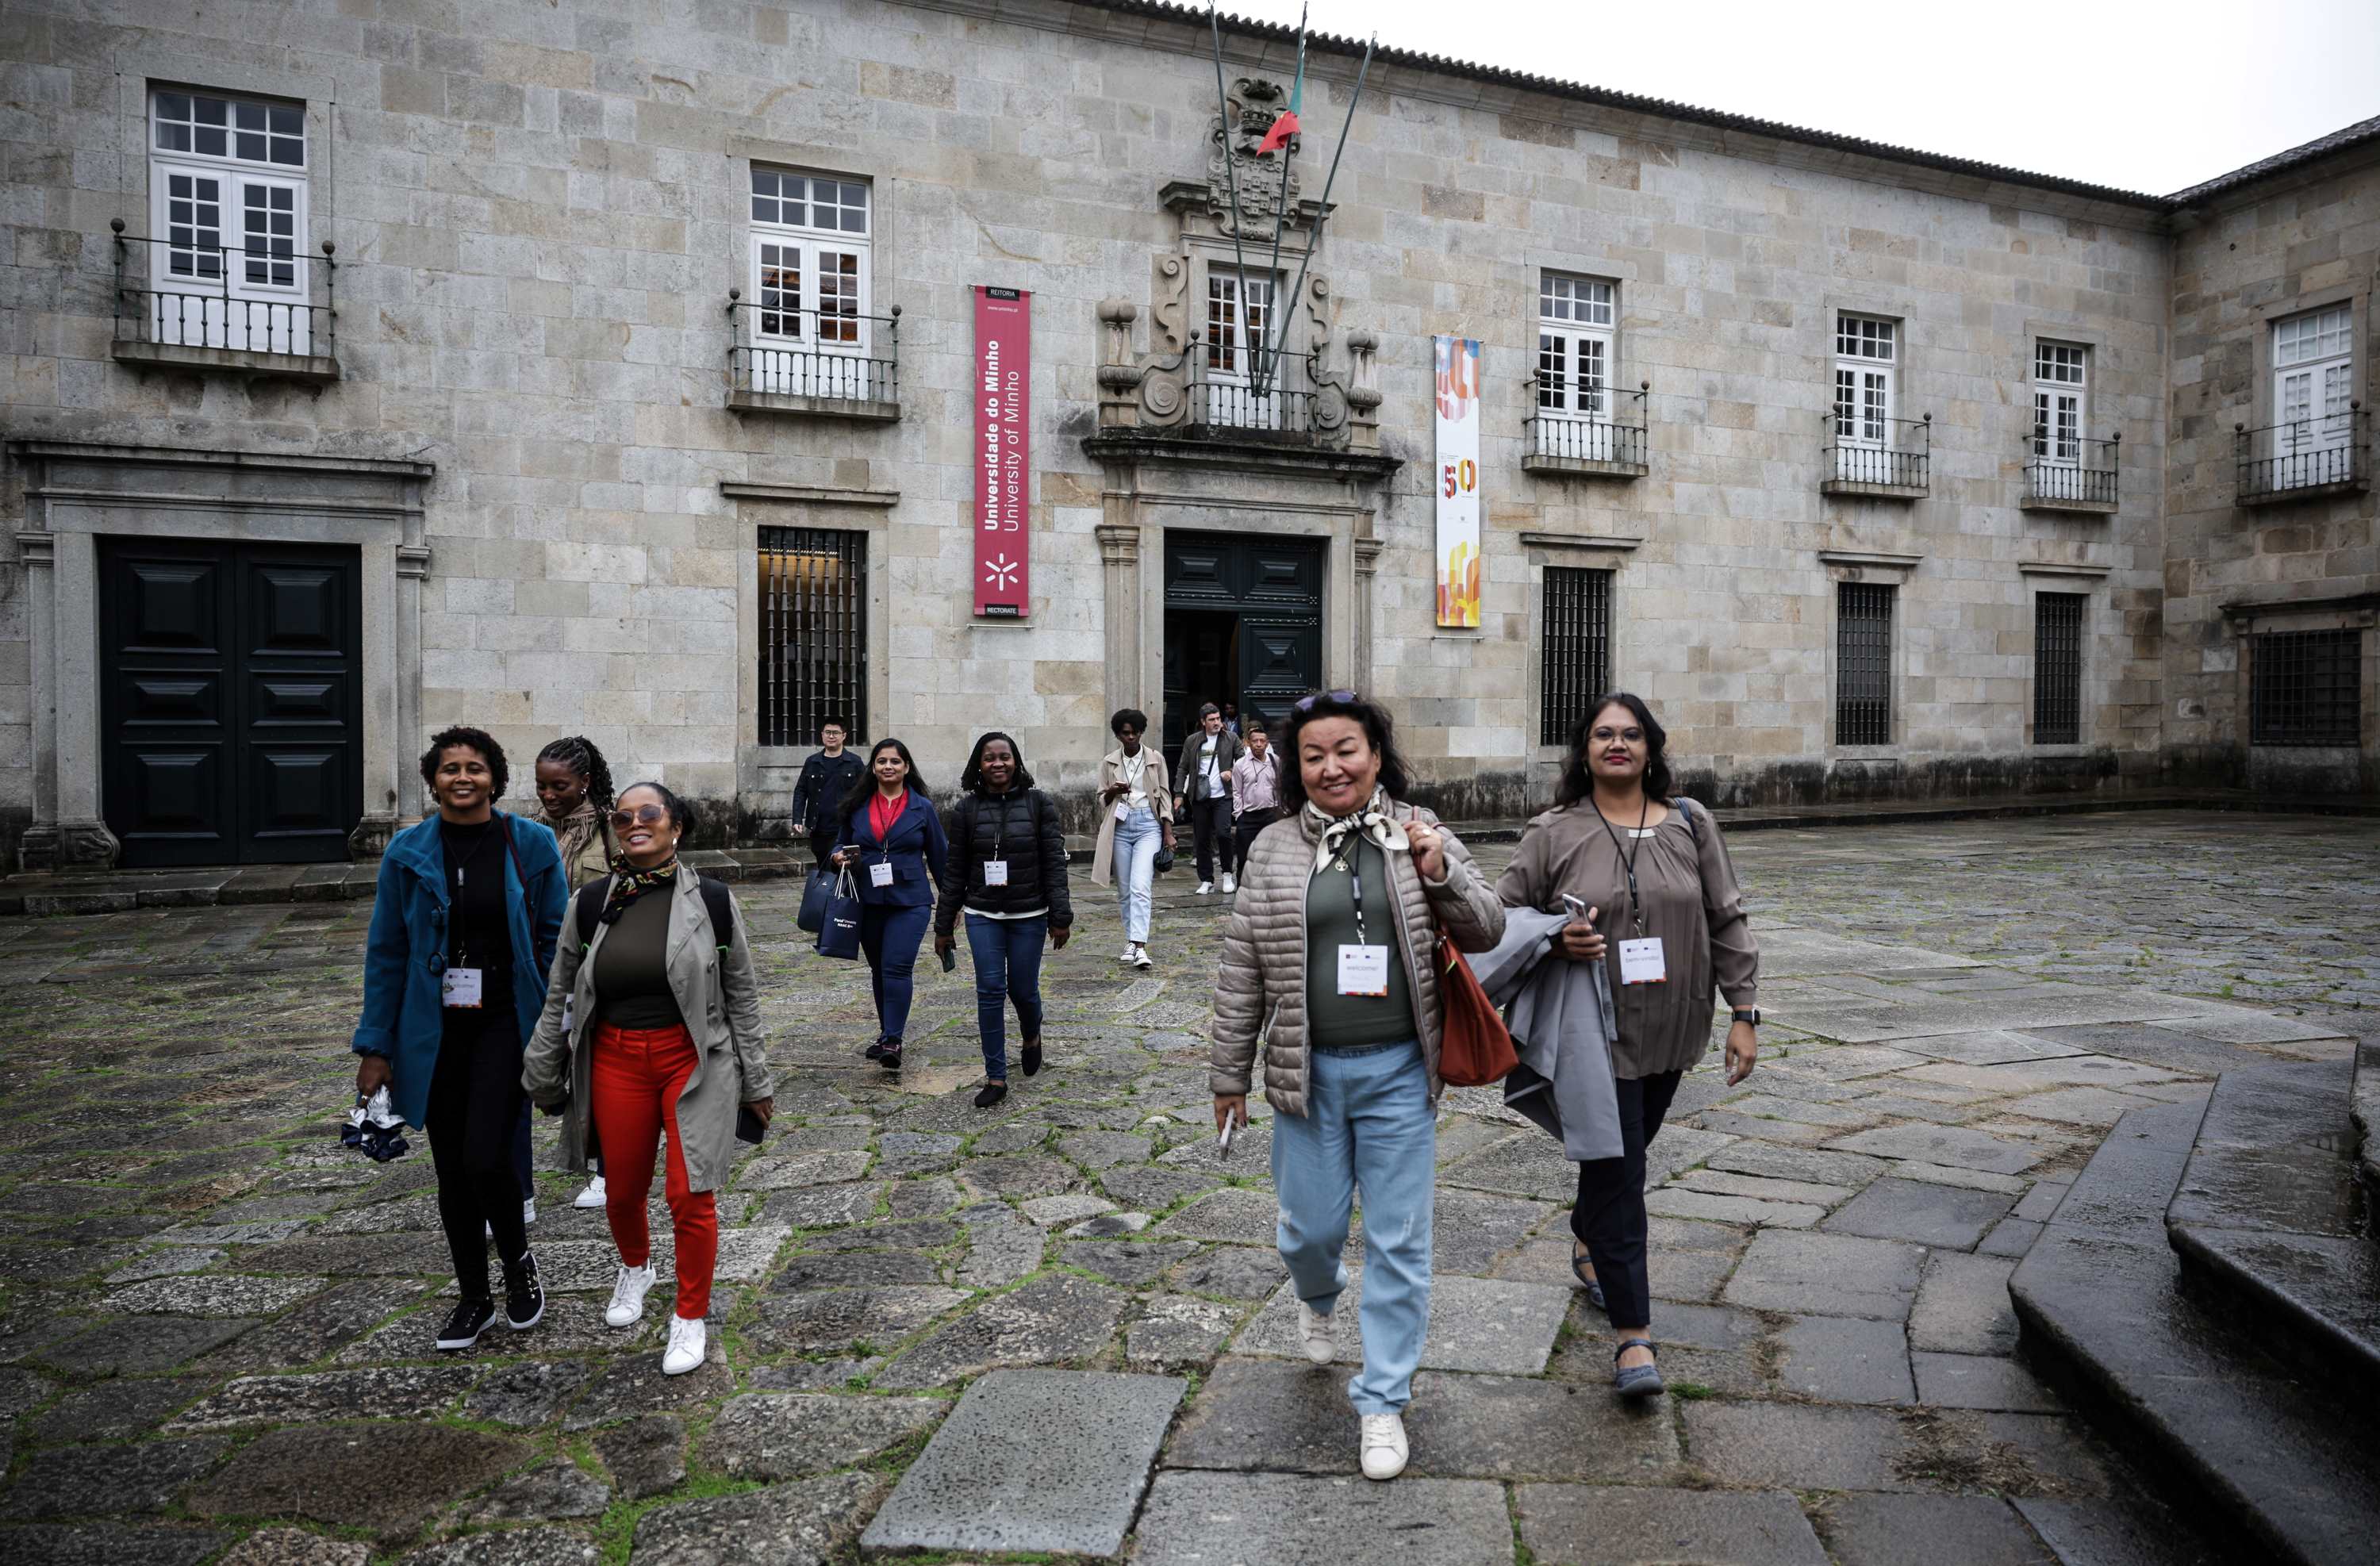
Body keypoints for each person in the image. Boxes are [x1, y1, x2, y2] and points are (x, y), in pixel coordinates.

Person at [1211, 690, 1505, 1480]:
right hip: (1304, 1075)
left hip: (1400, 1074)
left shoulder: (1419, 831)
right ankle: (1318, 1293)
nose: (1331, 766)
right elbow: (1241, 968)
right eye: (1313, 755)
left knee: (1400, 1239)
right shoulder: (1271, 847)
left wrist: (1440, 873)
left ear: (1376, 755)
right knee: (1308, 1232)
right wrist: (1227, 1073)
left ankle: (1382, 1401)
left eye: (1347, 750)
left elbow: (1489, 925)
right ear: (1295, 768)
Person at [1495, 693, 1760, 1399]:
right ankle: (1633, 1339)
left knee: (1623, 1161)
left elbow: (1726, 916)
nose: (1618, 744)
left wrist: (1745, 1012)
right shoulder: (1554, 832)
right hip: (1593, 1032)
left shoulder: (1691, 824)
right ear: (1584, 750)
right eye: (1604, 734)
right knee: (1622, 1175)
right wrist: (1556, 932)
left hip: (1674, 1025)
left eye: (1631, 734)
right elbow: (1501, 916)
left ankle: (1586, 1231)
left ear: (1651, 748)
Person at [523, 781, 774, 1377]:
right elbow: (561, 988)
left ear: (675, 827)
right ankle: (636, 1268)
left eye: (650, 814)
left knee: (690, 1193)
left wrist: (757, 1080)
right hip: (614, 1058)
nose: (636, 823)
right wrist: (541, 1064)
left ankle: (690, 1313)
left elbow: (743, 994)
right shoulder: (589, 902)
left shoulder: (711, 899)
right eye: (624, 816)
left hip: (695, 1058)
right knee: (623, 1188)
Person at [353, 726, 566, 1352]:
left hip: (506, 1018)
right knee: (451, 1169)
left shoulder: (529, 843)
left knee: (485, 1154)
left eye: (475, 767)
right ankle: (474, 1296)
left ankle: (519, 1263)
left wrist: (555, 1019)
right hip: (434, 1027)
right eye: (450, 768)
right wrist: (375, 1046)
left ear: (495, 778)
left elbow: (557, 935)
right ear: (433, 779)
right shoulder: (407, 851)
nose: (463, 778)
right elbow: (386, 951)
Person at [933, 733, 1073, 1108]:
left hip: (1029, 913)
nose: (998, 763)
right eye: (989, 758)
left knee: (1023, 989)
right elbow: (955, 869)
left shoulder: (1039, 803)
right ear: (978, 765)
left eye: (1005, 757)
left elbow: (1054, 864)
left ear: (1016, 762)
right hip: (983, 914)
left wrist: (1061, 915)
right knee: (990, 990)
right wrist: (943, 925)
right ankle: (996, 1075)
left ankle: (1032, 1035)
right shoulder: (966, 810)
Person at [536, 735, 618, 1214]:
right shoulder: (526, 833)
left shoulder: (612, 831)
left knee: (600, 1077)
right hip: (542, 972)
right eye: (542, 786)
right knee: (538, 1072)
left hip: (596, 974)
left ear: (584, 783)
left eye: (559, 786)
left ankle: (607, 1171)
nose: (549, 796)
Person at [831, 738, 947, 1072]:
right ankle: (885, 1034)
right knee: (879, 969)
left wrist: (950, 905)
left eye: (895, 761)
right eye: (881, 761)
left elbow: (941, 857)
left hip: (910, 900)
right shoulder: (858, 805)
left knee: (897, 966)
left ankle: (894, 1038)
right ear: (873, 767)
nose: (888, 767)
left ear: (906, 767)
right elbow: (839, 842)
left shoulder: (922, 807)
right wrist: (836, 856)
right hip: (867, 898)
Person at [1090, 708, 1174, 970]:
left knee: (1140, 885)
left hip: (1148, 824)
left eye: (1135, 732)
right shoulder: (1109, 762)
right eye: (1125, 733)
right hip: (1120, 826)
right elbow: (1100, 801)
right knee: (1125, 889)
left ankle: (1139, 946)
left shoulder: (1155, 759)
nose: (1131, 737)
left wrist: (1168, 831)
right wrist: (1114, 790)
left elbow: (1165, 796)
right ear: (1117, 734)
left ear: (1141, 732)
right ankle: (1131, 939)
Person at [1175, 703, 1245, 895]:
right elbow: (1182, 767)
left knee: (1223, 834)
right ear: (1203, 722)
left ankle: (1227, 874)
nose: (1217, 723)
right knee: (1202, 839)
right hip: (1200, 796)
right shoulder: (1192, 741)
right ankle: (1206, 879)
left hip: (1223, 795)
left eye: (1218, 719)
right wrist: (1179, 794)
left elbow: (1243, 759)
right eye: (1212, 720)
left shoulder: (1231, 738)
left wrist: (1231, 770)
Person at [791, 719, 865, 870]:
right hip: (818, 828)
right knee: (823, 867)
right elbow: (801, 790)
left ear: (844, 736)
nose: (831, 736)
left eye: (836, 733)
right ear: (822, 735)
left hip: (843, 828)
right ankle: (826, 894)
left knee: (841, 868)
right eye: (828, 733)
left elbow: (864, 793)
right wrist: (797, 818)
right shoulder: (812, 762)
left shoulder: (855, 762)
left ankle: (841, 894)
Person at [1229, 720, 1284, 877]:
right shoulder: (1240, 765)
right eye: (1255, 741)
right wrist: (1239, 815)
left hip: (1270, 816)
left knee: (1272, 857)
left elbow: (1281, 787)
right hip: (1248, 817)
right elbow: (1237, 792)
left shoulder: (1275, 761)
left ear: (1267, 744)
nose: (1258, 744)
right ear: (1248, 743)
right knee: (1244, 859)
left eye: (1262, 741)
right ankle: (1242, 893)